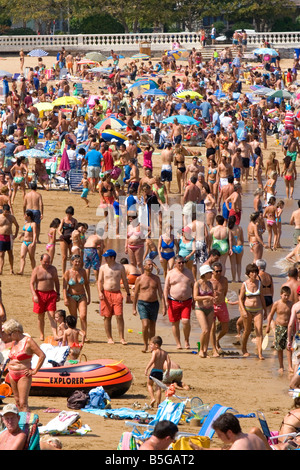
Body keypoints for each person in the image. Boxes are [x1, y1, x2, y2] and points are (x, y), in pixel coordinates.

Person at [2, 319, 45, 411]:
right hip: (12, 374)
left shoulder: (28, 341)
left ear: (17, 331)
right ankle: (19, 422)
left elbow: (42, 355)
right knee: (17, 401)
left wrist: (34, 370)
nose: (9, 336)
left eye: (10, 334)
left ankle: (26, 423)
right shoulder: (15, 342)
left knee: (23, 403)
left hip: (23, 374)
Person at [98, 249, 131, 345]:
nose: (105, 259)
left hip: (117, 293)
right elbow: (99, 281)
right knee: (107, 316)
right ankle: (109, 337)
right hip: (106, 293)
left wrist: (128, 294)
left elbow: (125, 281)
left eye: (107, 257)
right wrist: (100, 292)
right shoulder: (103, 267)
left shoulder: (120, 267)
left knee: (119, 315)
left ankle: (122, 338)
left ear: (112, 258)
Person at [133, 259, 166, 353]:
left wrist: (164, 306)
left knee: (152, 327)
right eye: (149, 265)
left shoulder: (156, 278)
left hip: (154, 304)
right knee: (145, 324)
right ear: (144, 266)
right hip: (142, 303)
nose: (151, 266)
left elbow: (160, 293)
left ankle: (152, 345)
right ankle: (145, 345)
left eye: (152, 265)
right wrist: (134, 308)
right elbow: (135, 294)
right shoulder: (139, 278)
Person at [164, 255, 194, 350]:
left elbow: (193, 287)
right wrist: (165, 301)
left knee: (186, 321)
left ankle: (186, 340)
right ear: (175, 264)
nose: (181, 264)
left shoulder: (189, 272)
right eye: (179, 263)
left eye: (183, 262)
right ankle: (178, 343)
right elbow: (166, 288)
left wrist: (194, 300)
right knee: (175, 323)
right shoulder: (170, 273)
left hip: (187, 301)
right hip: (173, 300)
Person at [239, 263, 267, 359]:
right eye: (252, 272)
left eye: (255, 272)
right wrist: (243, 311)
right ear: (248, 273)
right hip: (247, 310)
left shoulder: (259, 283)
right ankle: (244, 349)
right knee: (247, 330)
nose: (254, 274)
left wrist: (265, 311)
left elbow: (262, 297)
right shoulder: (245, 284)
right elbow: (240, 299)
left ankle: (260, 353)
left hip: (258, 310)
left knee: (259, 330)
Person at [30, 253, 60, 341]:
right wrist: (34, 295)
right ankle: (41, 334)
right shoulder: (36, 269)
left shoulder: (53, 269)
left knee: (52, 315)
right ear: (41, 261)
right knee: (41, 316)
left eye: (48, 262)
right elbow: (31, 283)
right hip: (39, 294)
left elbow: (56, 281)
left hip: (51, 294)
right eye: (45, 262)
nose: (47, 264)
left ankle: (55, 334)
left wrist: (58, 293)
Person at [266, 286, 293, 373]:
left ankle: (290, 366)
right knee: (279, 348)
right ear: (281, 294)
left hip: (288, 327)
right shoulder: (277, 304)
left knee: (289, 347)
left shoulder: (291, 304)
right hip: (279, 327)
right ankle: (281, 366)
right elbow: (270, 314)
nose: (286, 297)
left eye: (288, 295)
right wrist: (268, 326)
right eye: (285, 295)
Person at [63, 254, 90, 339]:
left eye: (79, 261)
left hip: (82, 296)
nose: (77, 263)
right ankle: (74, 335)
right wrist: (65, 298)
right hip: (71, 296)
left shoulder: (83, 272)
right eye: (76, 261)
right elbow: (64, 287)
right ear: (72, 262)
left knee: (83, 316)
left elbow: (86, 284)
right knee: (74, 317)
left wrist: (89, 296)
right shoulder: (68, 272)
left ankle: (84, 335)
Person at [194, 264, 215, 358]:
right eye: (210, 272)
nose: (211, 274)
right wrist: (207, 297)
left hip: (210, 308)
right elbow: (195, 297)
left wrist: (215, 298)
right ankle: (201, 350)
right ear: (205, 273)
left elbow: (213, 295)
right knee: (205, 330)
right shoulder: (197, 283)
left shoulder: (210, 284)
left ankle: (205, 351)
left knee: (209, 330)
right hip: (200, 308)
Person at [144, 335, 171, 407]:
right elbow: (169, 362)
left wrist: (147, 368)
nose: (150, 346)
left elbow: (152, 360)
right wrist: (168, 371)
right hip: (160, 372)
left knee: (149, 384)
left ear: (156, 345)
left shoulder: (155, 352)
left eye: (151, 344)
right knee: (158, 388)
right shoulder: (165, 353)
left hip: (154, 371)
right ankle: (158, 403)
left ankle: (152, 398)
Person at [210, 261, 229, 356]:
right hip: (211, 306)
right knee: (212, 328)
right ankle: (214, 349)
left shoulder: (224, 280)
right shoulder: (209, 281)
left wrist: (220, 297)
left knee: (225, 328)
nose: (219, 273)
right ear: (212, 271)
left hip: (222, 305)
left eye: (220, 271)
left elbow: (225, 292)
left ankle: (217, 340)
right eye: (217, 271)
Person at [58, 206, 78, 275]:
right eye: (67, 214)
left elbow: (76, 230)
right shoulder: (63, 220)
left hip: (71, 239)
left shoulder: (74, 221)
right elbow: (59, 230)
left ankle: (72, 271)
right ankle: (63, 273)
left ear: (72, 214)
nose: (68, 215)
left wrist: (73, 236)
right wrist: (61, 235)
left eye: (70, 214)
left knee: (72, 256)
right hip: (64, 239)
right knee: (64, 257)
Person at [0, 204, 19, 275]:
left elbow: (17, 226)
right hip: (1, 236)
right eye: (5, 211)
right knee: (1, 254)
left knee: (10, 253)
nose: (7, 213)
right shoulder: (0, 217)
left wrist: (16, 235)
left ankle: (11, 269)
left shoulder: (11, 217)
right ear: (3, 210)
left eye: (8, 212)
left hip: (9, 236)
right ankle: (0, 269)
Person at [17, 210, 37, 276]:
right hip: (24, 241)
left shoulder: (33, 224)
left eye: (25, 215)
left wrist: (34, 242)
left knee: (31, 257)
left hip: (30, 242)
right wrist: (21, 235)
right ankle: (21, 270)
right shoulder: (25, 223)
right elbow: (26, 232)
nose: (24, 216)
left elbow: (34, 234)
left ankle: (34, 271)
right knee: (22, 256)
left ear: (28, 216)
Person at [228, 215, 244, 282]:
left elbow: (230, 239)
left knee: (233, 264)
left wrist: (230, 248)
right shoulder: (239, 228)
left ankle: (234, 279)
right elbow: (242, 239)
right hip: (239, 246)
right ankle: (239, 278)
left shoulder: (229, 228)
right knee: (239, 263)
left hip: (233, 246)